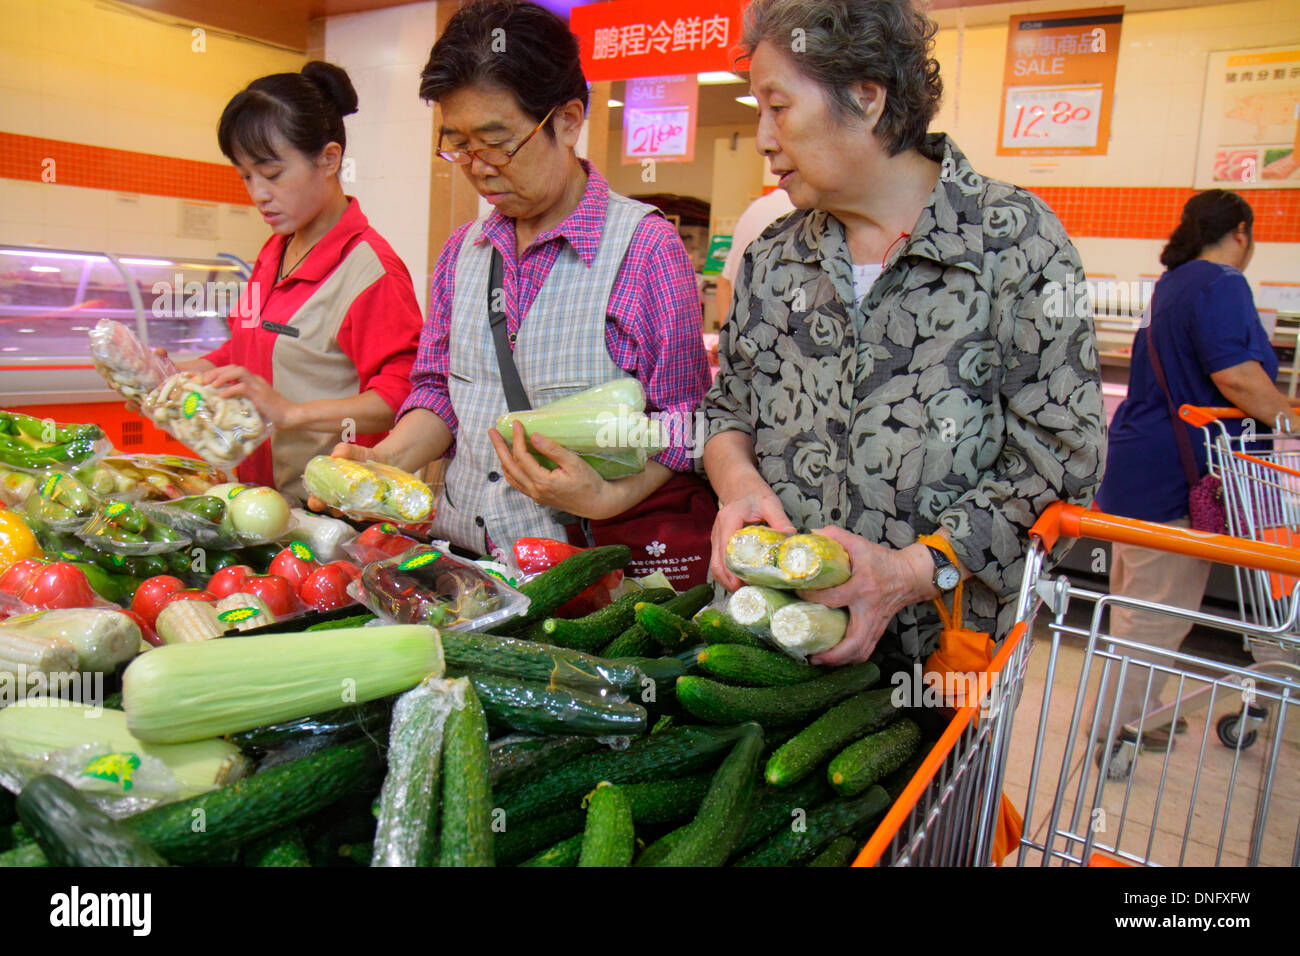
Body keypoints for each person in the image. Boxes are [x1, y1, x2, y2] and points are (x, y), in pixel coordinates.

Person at [702, 0, 1107, 670]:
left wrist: (907, 575)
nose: (764, 137)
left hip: (939, 656)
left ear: (865, 99)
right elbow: (729, 408)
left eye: (779, 107)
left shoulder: (1015, 242)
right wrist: (737, 483)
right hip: (769, 650)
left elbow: (1062, 463)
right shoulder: (775, 256)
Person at [328, 0, 712, 569]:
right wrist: (383, 463)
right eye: (457, 143)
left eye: (497, 140)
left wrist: (607, 497)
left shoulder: (645, 250)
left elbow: (685, 422)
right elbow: (439, 394)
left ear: (568, 120)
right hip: (463, 561)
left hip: (581, 577)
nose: (479, 166)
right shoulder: (464, 252)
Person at [1093, 189, 1295, 757]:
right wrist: (1290, 418)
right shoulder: (1222, 283)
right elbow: (1236, 378)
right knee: (1157, 616)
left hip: (1136, 467)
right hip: (1180, 478)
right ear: (1242, 232)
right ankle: (1114, 733)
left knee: (1134, 608)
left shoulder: (1171, 285)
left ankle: (1133, 716)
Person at [169, 62, 423, 502]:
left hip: (327, 513)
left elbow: (402, 397)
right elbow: (247, 352)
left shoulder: (370, 271)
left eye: (271, 174)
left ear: (329, 158)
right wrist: (179, 374)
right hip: (257, 498)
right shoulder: (276, 250)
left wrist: (291, 413)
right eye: (245, 176)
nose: (258, 194)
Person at [715, 187, 794, 325]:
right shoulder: (811, 212)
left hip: (745, 335)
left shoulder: (755, 209)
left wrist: (728, 340)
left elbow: (723, 284)